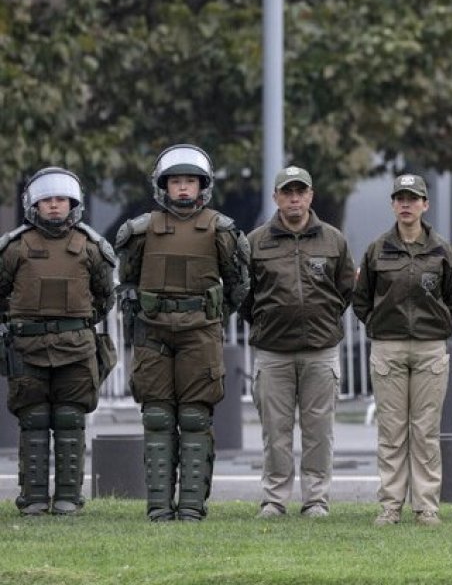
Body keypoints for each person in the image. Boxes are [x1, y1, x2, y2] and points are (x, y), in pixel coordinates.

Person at [115, 145, 250, 521]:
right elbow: (127, 282)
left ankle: (191, 507)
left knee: (195, 418)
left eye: (191, 180)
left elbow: (238, 285)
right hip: (153, 334)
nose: (184, 188)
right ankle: (159, 508)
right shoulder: (140, 231)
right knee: (157, 417)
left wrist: (211, 315)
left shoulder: (222, 230)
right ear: (164, 186)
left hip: (199, 335)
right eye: (176, 181)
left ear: (203, 185)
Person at [240, 166, 355, 519]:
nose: (294, 198)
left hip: (320, 350)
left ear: (310, 196)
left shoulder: (333, 240)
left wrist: (322, 318)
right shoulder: (255, 242)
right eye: (287, 192)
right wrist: (268, 322)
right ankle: (274, 500)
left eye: (300, 192)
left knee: (319, 432)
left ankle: (316, 499)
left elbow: (345, 290)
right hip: (272, 352)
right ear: (275, 197)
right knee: (275, 432)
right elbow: (244, 296)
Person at [0, 168, 116, 515]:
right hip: (27, 350)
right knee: (33, 422)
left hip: (76, 351)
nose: (54, 206)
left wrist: (75, 325)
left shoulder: (90, 247)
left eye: (61, 200)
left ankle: (69, 498)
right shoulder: (14, 248)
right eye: (47, 200)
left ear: (73, 204)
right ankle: (33, 498)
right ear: (34, 204)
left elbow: (104, 297)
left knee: (70, 421)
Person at [352, 174, 452, 527]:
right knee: (391, 431)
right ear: (392, 204)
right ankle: (390, 505)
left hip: (430, 348)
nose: (406, 204)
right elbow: (361, 299)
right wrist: (379, 324)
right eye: (400, 198)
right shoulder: (377, 249)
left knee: (426, 431)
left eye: (413, 198)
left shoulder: (441, 249)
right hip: (388, 347)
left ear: (425, 205)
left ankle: (426, 506)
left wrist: (435, 322)